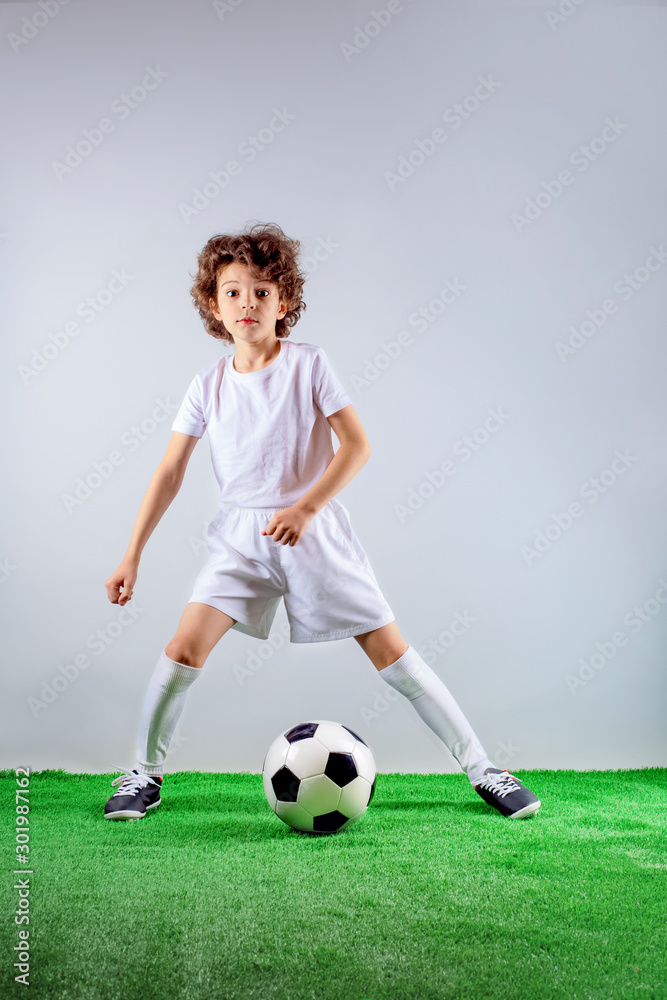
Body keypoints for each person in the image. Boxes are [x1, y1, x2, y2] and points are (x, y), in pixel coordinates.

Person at [103, 222, 541, 823]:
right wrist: (132, 555)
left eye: (261, 291)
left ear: (284, 303)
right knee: (182, 648)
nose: (247, 303)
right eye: (232, 292)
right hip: (241, 542)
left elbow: (357, 446)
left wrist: (306, 507)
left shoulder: (310, 366)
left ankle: (485, 769)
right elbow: (169, 473)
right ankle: (142, 776)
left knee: (391, 653)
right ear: (213, 305)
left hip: (313, 533)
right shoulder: (206, 385)